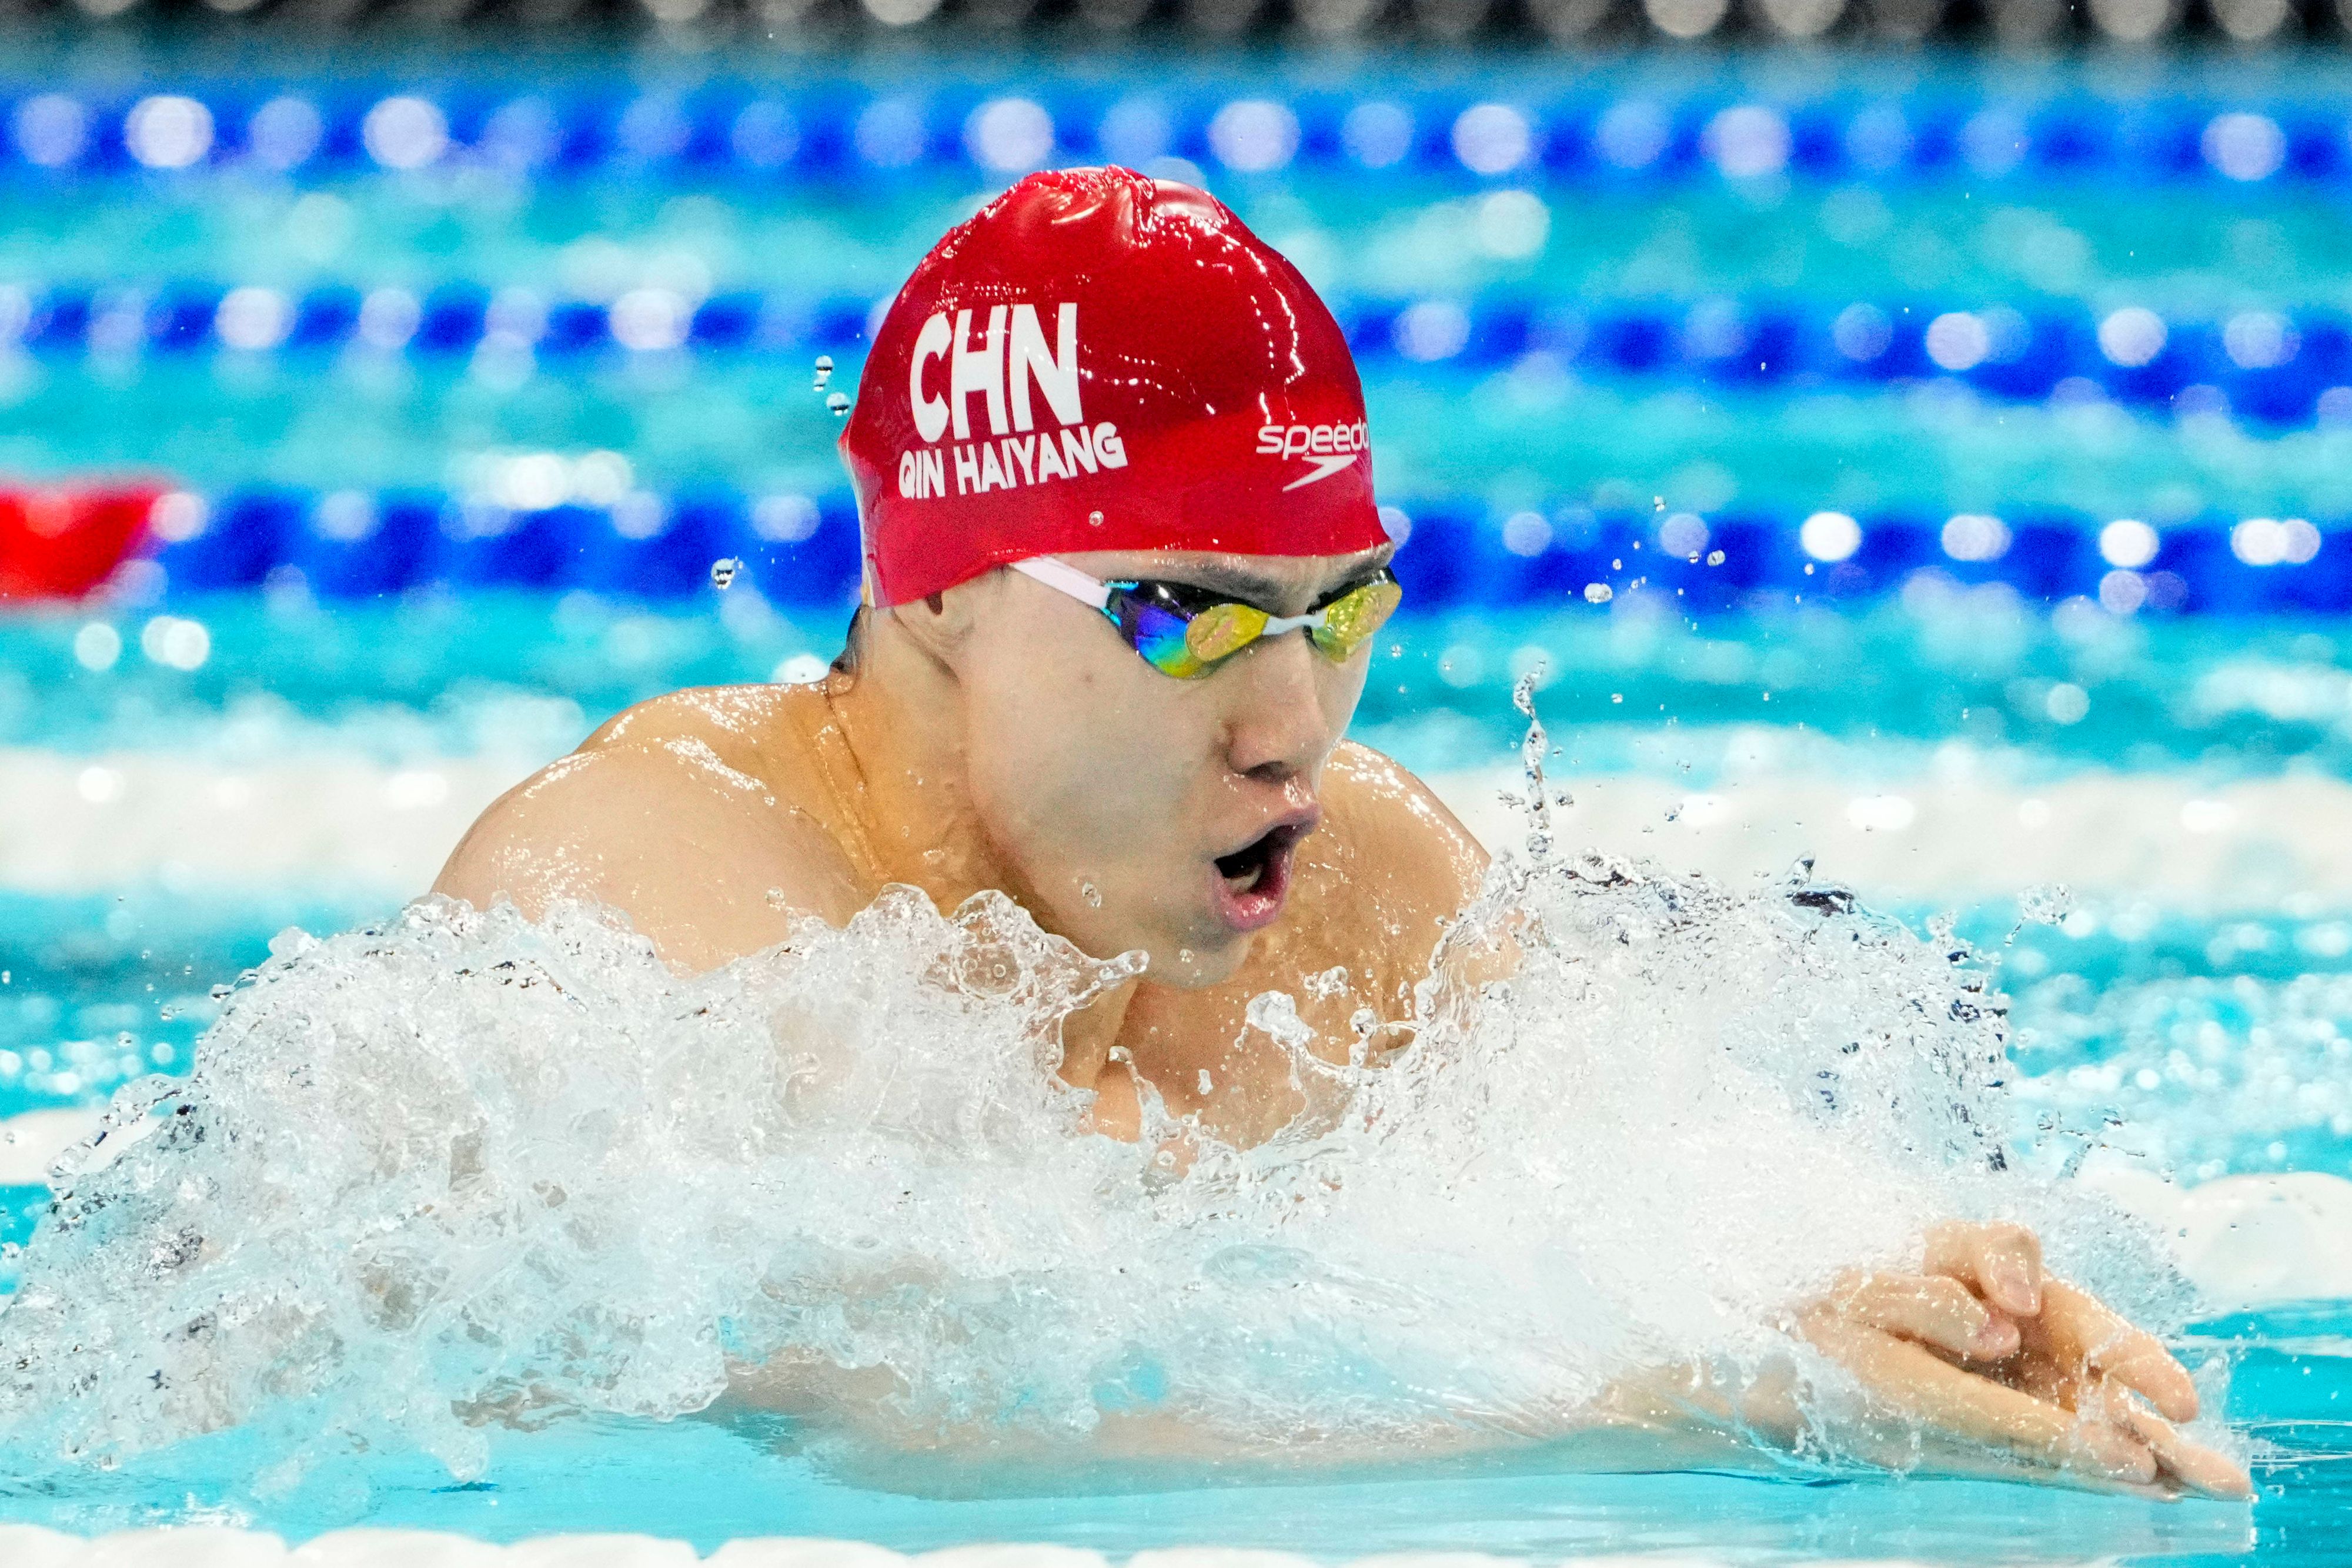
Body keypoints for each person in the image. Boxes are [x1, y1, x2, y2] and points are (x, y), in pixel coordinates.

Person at [433, 166, 2247, 1499]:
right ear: (937, 587)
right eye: (1183, 614)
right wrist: (1692, 1394)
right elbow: (937, 1416)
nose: (1294, 728)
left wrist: (1900, 1307)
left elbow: (1637, 1178)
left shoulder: (1359, 878)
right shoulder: (662, 887)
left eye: (1341, 610)